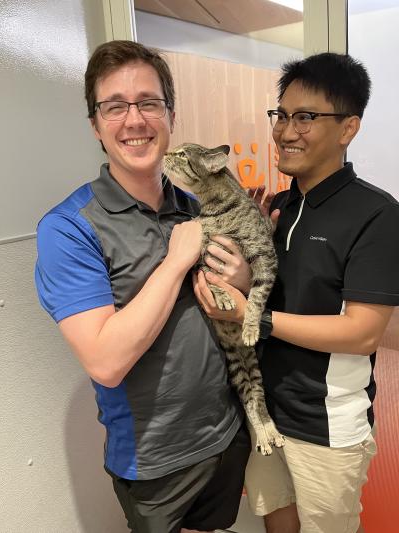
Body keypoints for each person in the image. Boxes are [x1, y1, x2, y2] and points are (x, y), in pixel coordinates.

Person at [35, 40, 251, 533]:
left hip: (224, 433)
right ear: (95, 124)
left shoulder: (197, 208)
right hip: (154, 462)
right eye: (115, 106)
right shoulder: (68, 228)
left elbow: (230, 306)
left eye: (149, 103)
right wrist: (176, 263)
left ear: (170, 115)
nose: (134, 120)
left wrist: (241, 278)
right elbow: (106, 362)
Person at [193, 52, 399, 533]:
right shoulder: (279, 205)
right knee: (276, 521)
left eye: (306, 117)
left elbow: (364, 333)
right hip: (264, 408)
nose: (286, 132)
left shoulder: (377, 214)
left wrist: (254, 316)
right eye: (281, 115)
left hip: (326, 421)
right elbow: (274, 289)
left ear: (348, 128)